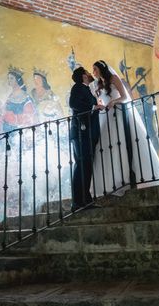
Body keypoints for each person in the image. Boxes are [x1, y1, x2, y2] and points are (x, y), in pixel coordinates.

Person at [90, 60, 159, 197]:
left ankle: (131, 177)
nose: (93, 72)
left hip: (120, 114)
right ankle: (113, 181)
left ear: (101, 68)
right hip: (106, 118)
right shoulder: (98, 85)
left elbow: (125, 97)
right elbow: (101, 101)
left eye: (95, 69)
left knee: (125, 143)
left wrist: (114, 101)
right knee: (108, 147)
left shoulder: (113, 78)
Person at [68, 66, 102, 211]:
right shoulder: (78, 87)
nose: (90, 73)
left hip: (86, 133)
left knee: (85, 166)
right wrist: (94, 107)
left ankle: (85, 200)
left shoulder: (85, 89)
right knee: (82, 165)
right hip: (81, 132)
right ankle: (78, 202)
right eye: (87, 72)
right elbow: (73, 104)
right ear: (83, 76)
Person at [1, 66, 36, 133]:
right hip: (7, 130)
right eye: (8, 78)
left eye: (11, 78)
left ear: (18, 80)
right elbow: (4, 112)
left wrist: (12, 117)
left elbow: (29, 118)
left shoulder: (26, 98)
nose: (9, 80)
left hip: (19, 132)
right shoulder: (10, 96)